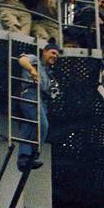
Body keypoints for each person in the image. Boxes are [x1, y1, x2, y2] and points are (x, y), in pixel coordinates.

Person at [16, 40, 61, 172]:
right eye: (53, 53)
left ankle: (24, 157)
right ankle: (35, 152)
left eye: (57, 55)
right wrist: (32, 70)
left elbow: (53, 92)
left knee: (29, 125)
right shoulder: (35, 60)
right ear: (44, 52)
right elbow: (22, 60)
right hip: (30, 94)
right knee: (42, 124)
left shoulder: (49, 74)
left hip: (41, 100)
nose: (55, 56)